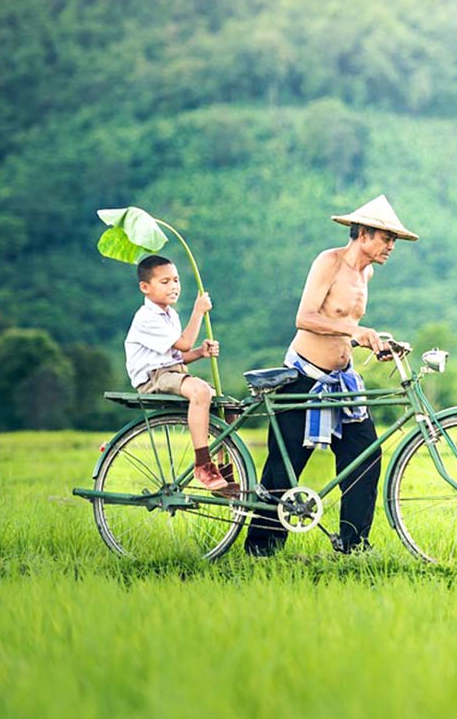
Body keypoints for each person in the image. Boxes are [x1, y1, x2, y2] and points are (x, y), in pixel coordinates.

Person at [245, 194, 418, 556]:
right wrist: (354, 332)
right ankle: (261, 550)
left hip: (342, 380)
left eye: (394, 240)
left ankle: (354, 545)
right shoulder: (330, 261)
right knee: (284, 467)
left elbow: (345, 326)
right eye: (387, 238)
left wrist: (373, 341)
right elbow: (305, 317)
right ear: (365, 233)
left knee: (365, 455)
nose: (391, 246)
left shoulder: (366, 273)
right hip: (303, 377)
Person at [124, 254, 228, 491]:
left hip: (171, 372)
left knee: (226, 406)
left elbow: (179, 356)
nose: (174, 287)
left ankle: (226, 468)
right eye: (165, 282)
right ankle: (203, 464)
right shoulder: (147, 317)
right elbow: (183, 343)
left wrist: (200, 352)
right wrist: (198, 311)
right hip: (154, 377)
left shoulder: (170, 315)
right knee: (201, 391)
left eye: (176, 280)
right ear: (145, 287)